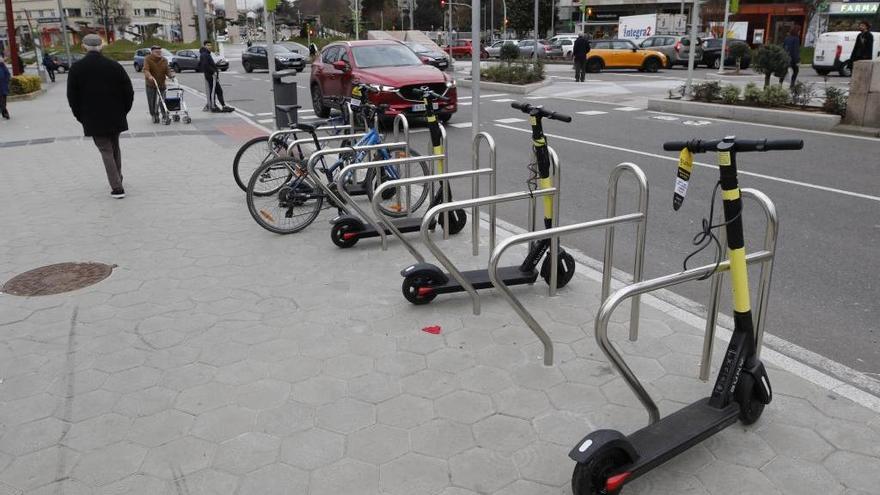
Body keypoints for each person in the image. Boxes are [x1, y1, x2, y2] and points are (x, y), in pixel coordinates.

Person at [66, 34, 134, 199]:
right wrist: (123, 111)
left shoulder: (76, 68)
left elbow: (72, 97)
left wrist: (80, 116)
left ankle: (117, 187)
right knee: (114, 147)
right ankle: (118, 178)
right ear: (101, 46)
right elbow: (128, 92)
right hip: (115, 115)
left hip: (92, 117)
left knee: (105, 150)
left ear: (84, 46)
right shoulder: (114, 66)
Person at [198, 40, 233, 112]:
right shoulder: (205, 54)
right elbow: (205, 65)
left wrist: (215, 66)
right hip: (211, 76)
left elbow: (203, 64)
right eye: (208, 45)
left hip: (212, 76)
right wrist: (213, 71)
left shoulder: (206, 54)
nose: (210, 47)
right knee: (215, 91)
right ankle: (214, 106)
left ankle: (219, 106)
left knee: (215, 91)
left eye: (210, 45)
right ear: (204, 46)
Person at [143, 45, 173, 123]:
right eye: (157, 52)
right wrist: (149, 76)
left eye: (160, 52)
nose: (159, 53)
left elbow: (167, 70)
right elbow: (146, 69)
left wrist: (171, 75)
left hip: (161, 83)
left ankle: (164, 114)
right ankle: (154, 115)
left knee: (163, 100)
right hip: (151, 83)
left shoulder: (164, 60)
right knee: (152, 100)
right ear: (152, 52)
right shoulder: (148, 59)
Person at [0, 55, 10, 119]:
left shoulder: (3, 66)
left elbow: (8, 75)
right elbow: (8, 75)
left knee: (3, 100)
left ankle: (4, 112)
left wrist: (6, 81)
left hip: (3, 86)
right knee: (2, 100)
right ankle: (4, 112)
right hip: (3, 86)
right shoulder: (3, 66)